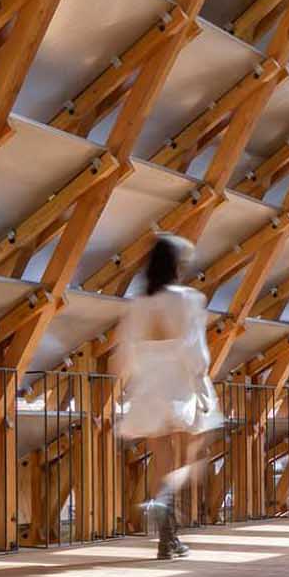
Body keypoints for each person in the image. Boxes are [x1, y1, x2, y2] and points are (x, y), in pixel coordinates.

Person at [113, 235, 220, 559]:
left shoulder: (139, 303)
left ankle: (168, 537)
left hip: (148, 387)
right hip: (179, 382)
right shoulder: (188, 299)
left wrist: (128, 381)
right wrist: (201, 378)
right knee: (191, 457)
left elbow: (125, 350)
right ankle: (165, 501)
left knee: (160, 457)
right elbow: (194, 348)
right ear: (176, 265)